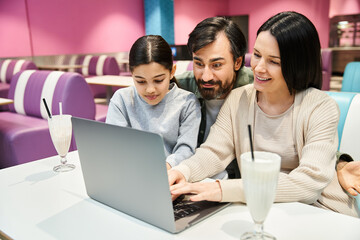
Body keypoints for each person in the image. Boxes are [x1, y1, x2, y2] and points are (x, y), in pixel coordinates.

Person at [169, 11, 359, 217]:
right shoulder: (238, 98)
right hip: (263, 209)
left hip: (319, 212)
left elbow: (309, 183)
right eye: (257, 55)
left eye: (273, 61)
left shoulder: (321, 106)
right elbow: (215, 152)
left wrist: (225, 190)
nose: (259, 68)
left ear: (297, 65)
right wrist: (181, 172)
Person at [106, 35, 201, 170]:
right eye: (141, 81)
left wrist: (165, 167)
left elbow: (186, 149)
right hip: (130, 171)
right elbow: (114, 145)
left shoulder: (187, 103)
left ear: (172, 71)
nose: (150, 90)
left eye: (158, 80)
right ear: (131, 74)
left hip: (170, 174)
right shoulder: (122, 99)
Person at [176, 16, 253, 179]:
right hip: (192, 177)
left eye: (216, 65)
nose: (205, 77)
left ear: (237, 62)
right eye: (198, 63)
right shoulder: (180, 88)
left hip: (241, 182)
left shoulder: (256, 89)